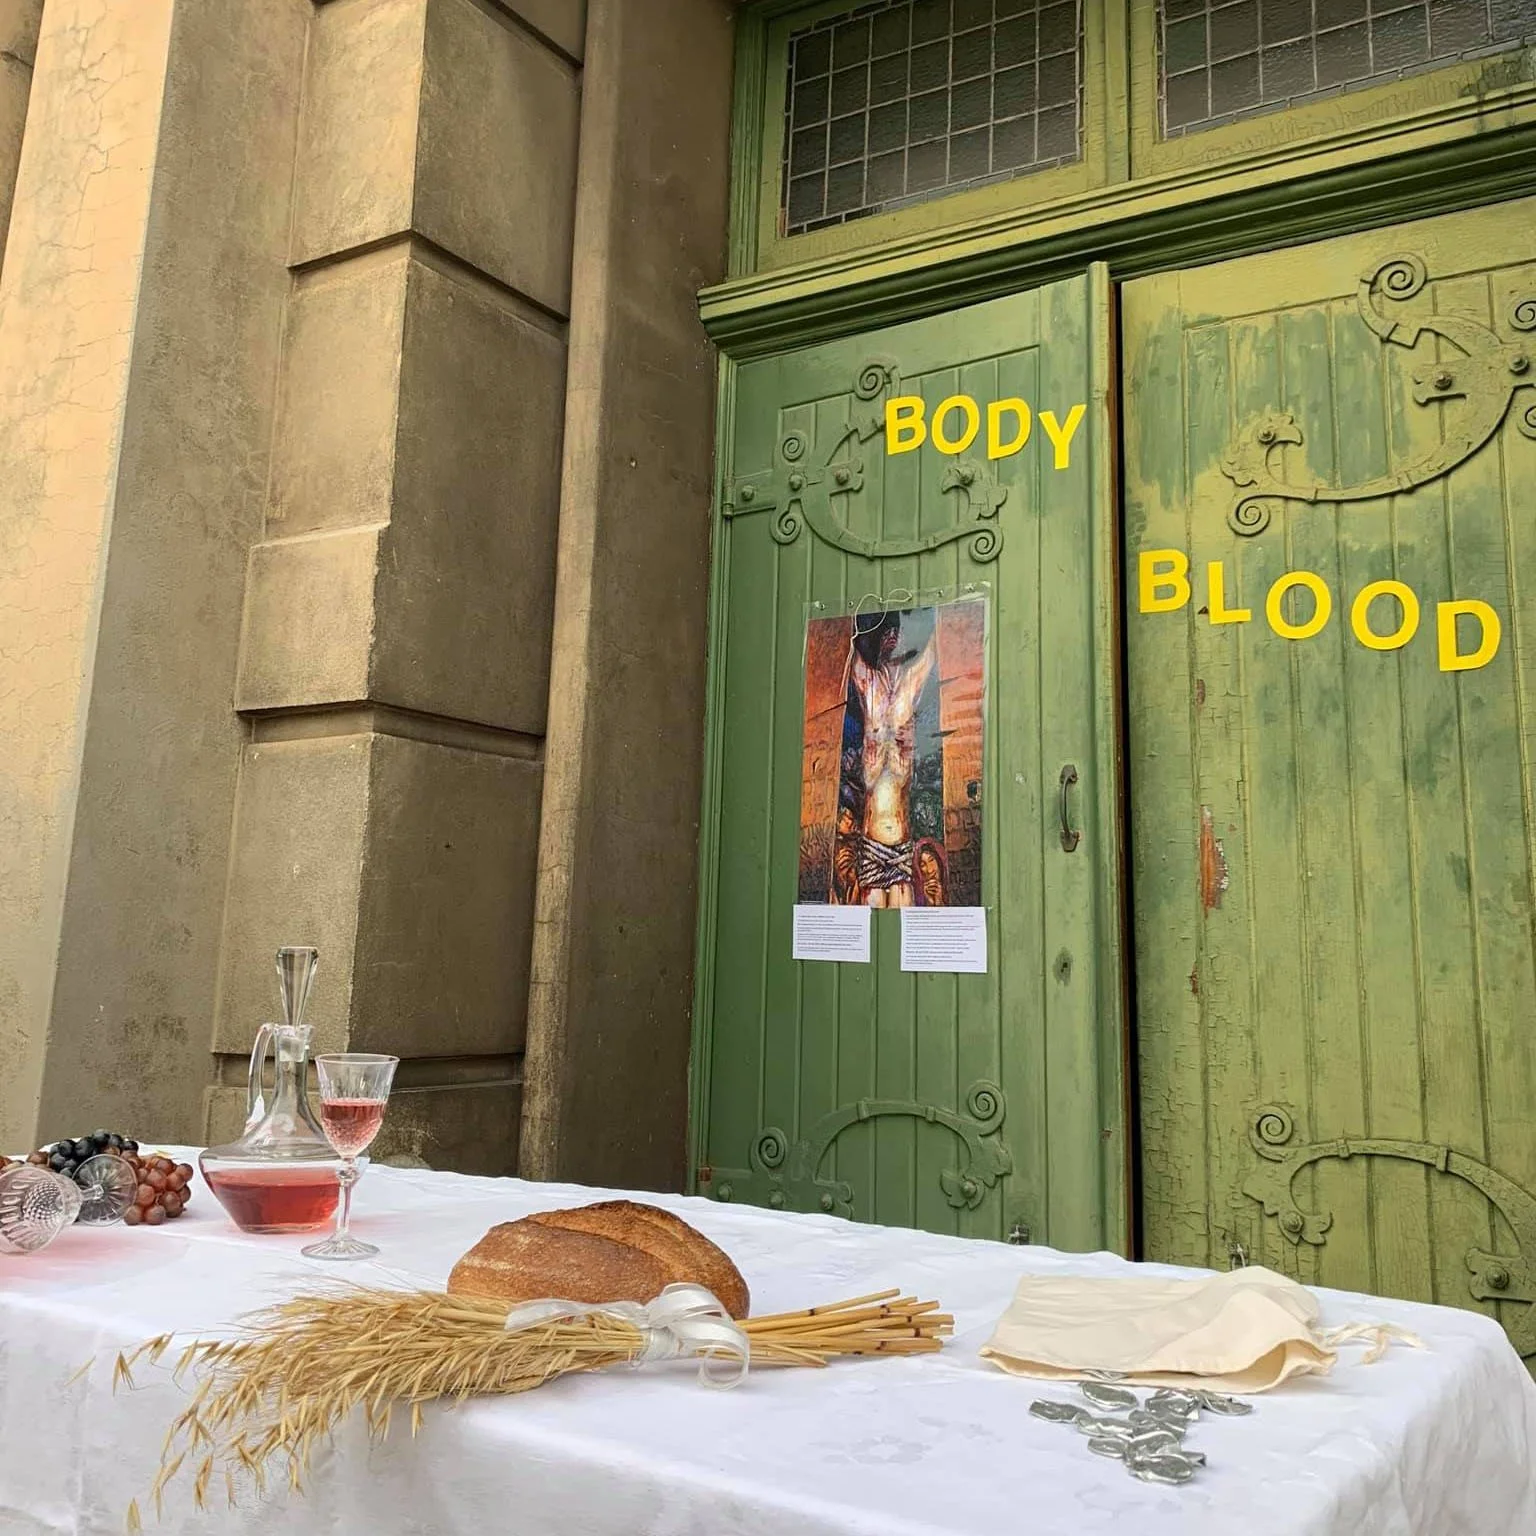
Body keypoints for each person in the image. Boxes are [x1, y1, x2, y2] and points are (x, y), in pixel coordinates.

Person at [847, 611, 937, 908]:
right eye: (886, 632)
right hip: (871, 845)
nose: (892, 638)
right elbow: (850, 655)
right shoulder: (869, 687)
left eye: (897, 632)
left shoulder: (908, 690)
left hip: (900, 846)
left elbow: (929, 656)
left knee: (905, 923)